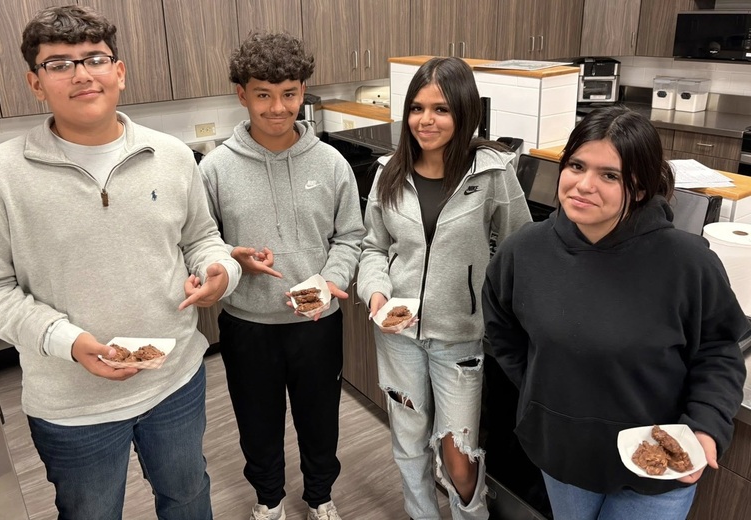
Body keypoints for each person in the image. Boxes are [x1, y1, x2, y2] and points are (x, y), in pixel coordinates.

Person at [0, 6, 241, 520]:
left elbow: (202, 238)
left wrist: (222, 271)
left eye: (94, 59)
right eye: (59, 64)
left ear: (120, 71)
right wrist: (69, 341)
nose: (81, 74)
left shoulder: (172, 155)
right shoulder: (0, 176)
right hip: (70, 402)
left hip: (174, 379)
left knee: (188, 496)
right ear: (35, 82)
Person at [482, 105, 749, 520]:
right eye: (576, 165)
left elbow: (718, 351)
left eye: (610, 175)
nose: (583, 185)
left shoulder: (687, 262)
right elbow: (503, 333)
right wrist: (544, 393)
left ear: (640, 187)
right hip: (563, 454)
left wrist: (705, 426)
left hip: (655, 466)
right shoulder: (524, 252)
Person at [356, 56, 532, 520]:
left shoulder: (494, 174)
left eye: (440, 109)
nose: (425, 120)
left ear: (464, 112)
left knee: (460, 455)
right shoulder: (388, 173)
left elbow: (519, 254)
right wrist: (374, 293)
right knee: (409, 443)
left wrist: (496, 311)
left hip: (460, 339)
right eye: (417, 108)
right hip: (396, 334)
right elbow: (372, 247)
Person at [198, 32, 364, 520]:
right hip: (248, 325)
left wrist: (332, 278)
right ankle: (268, 500)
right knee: (257, 423)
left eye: (289, 93)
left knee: (320, 421)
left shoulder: (331, 164)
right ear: (242, 94)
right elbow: (202, 244)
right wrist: (232, 258)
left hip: (317, 324)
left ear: (302, 91)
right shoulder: (215, 169)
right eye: (263, 95)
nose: (277, 108)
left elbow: (350, 236)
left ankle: (320, 497)